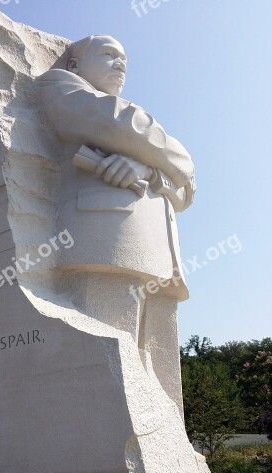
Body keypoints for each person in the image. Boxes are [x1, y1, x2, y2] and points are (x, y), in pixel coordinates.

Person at [37, 35, 196, 414]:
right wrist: (177, 158)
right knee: (107, 376)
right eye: (108, 55)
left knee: (160, 385)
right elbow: (120, 125)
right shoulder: (58, 85)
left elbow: (188, 190)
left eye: (124, 58)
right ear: (75, 65)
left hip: (158, 256)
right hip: (106, 244)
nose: (120, 65)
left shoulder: (133, 123)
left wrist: (147, 168)